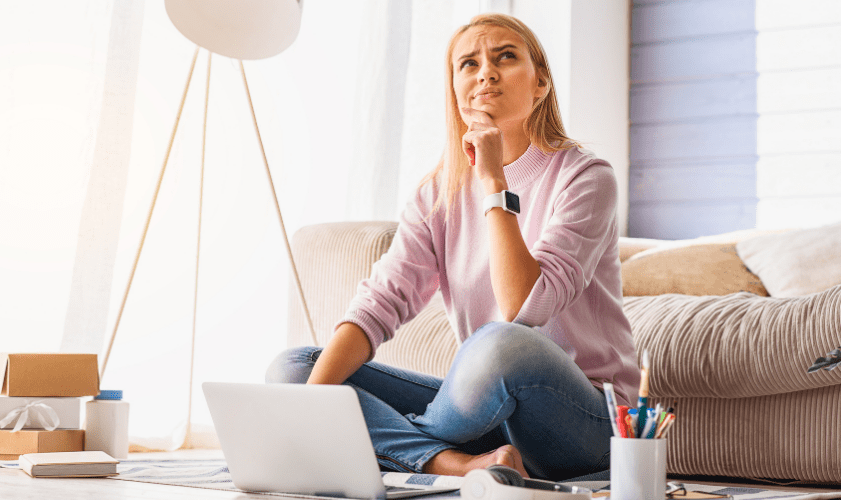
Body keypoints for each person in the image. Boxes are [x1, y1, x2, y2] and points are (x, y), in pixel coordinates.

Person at [266, 13, 639, 481]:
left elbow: (523, 306)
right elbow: (381, 303)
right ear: (456, 89)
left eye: (505, 57)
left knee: (502, 344)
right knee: (297, 370)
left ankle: (399, 443)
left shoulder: (585, 177)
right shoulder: (435, 195)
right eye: (469, 63)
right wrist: (308, 407)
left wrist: (492, 181)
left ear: (540, 83)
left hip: (584, 421)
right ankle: (460, 464)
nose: (486, 71)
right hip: (487, 419)